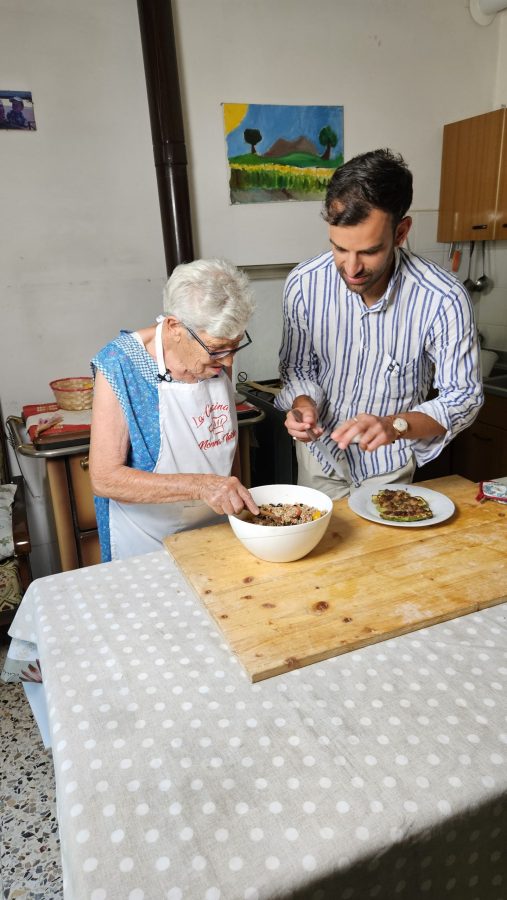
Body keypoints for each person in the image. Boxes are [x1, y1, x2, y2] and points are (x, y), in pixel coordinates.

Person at [274, 148, 483, 499]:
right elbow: (297, 367)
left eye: (369, 252)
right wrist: (304, 404)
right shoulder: (304, 283)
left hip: (388, 467)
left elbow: (463, 397)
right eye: (339, 249)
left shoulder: (443, 297)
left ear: (401, 232)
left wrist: (393, 425)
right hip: (319, 459)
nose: (351, 268)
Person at [89, 258, 259, 561]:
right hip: (146, 542)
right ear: (174, 327)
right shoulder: (119, 364)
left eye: (235, 347)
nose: (229, 362)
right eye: (218, 349)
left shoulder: (216, 359)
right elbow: (104, 478)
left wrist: (231, 500)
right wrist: (202, 486)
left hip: (215, 530)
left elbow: (221, 446)